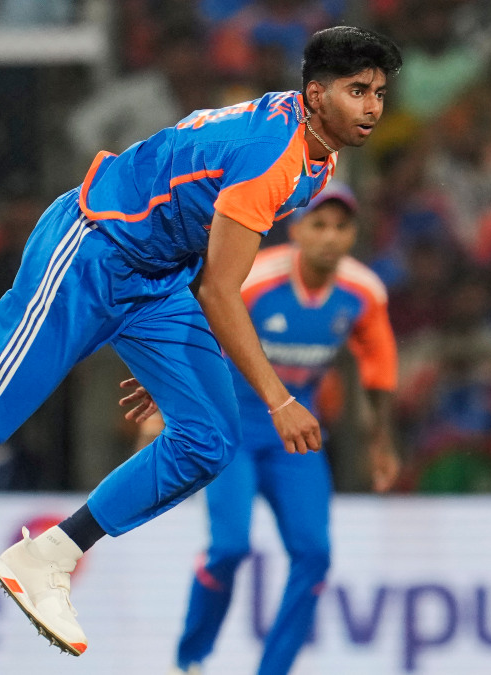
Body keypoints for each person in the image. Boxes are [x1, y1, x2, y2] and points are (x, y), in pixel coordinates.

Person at [0, 26, 403, 657]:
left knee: (208, 438)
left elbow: (210, 262)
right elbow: (226, 291)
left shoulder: (318, 154)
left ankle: (48, 556)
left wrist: (175, 354)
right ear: (316, 94)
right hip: (91, 252)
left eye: (378, 92)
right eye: (357, 91)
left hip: (159, 279)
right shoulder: (275, 156)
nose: (372, 107)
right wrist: (279, 396)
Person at [144, 182, 400, 675]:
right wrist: (163, 399)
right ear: (295, 228)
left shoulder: (363, 292)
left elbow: (379, 369)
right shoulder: (257, 276)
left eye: (341, 227)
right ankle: (191, 658)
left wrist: (381, 442)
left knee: (315, 555)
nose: (329, 237)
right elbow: (192, 323)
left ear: (353, 235)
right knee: (230, 547)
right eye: (318, 224)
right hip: (230, 427)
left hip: (296, 435)